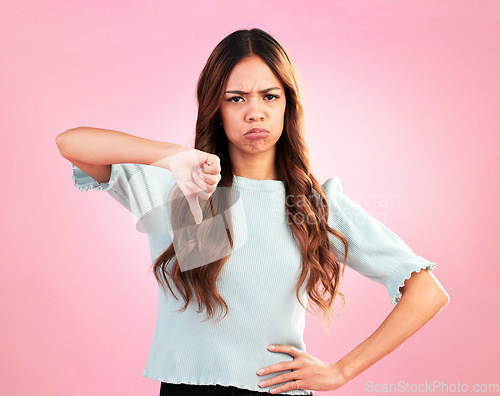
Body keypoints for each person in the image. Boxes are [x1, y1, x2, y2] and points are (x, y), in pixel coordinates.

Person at [55, 28, 449, 395]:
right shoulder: (176, 188)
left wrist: (341, 371)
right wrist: (173, 156)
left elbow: (426, 292)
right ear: (217, 108)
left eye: (269, 96)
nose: (254, 112)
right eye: (236, 98)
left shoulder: (313, 206)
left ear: (287, 106)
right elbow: (71, 143)